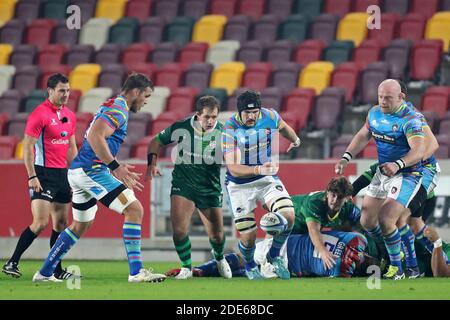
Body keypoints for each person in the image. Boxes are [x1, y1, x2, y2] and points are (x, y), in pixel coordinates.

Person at [32, 73, 166, 283]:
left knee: (80, 225)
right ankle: (137, 272)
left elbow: (98, 137)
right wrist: (115, 167)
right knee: (134, 209)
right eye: (146, 96)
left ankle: (45, 272)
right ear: (136, 92)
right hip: (91, 171)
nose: (146, 101)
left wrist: (112, 164)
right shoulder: (119, 109)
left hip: (79, 171)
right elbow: (95, 136)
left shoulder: (112, 104)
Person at [335, 79, 425, 280]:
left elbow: (419, 150)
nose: (383, 101)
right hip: (384, 172)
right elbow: (362, 135)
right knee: (366, 220)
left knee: (386, 218)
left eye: (388, 98)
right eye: (380, 96)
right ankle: (392, 249)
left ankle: (397, 268)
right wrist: (346, 157)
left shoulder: (411, 119)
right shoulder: (374, 113)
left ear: (401, 97)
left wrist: (398, 164)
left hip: (407, 175)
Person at [145, 96, 232, 280]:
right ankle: (186, 267)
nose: (210, 121)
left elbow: (233, 157)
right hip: (183, 185)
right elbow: (156, 141)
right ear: (198, 115)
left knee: (217, 236)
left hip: (209, 188)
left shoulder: (223, 133)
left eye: (214, 117)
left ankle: (219, 258)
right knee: (179, 230)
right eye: (207, 117)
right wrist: (151, 164)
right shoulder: (181, 127)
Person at [2, 73, 78, 280]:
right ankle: (12, 262)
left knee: (61, 225)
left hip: (63, 175)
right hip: (42, 174)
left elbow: (71, 146)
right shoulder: (39, 114)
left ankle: (56, 269)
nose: (66, 94)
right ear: (50, 91)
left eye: (68, 90)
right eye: (62, 90)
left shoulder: (70, 115)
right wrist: (31, 177)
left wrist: (78, 172)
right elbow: (27, 147)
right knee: (41, 222)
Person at [223, 90, 302, 280]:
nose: (251, 116)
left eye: (254, 112)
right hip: (239, 185)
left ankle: (274, 256)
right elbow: (233, 168)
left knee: (289, 215)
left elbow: (283, 127)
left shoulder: (270, 116)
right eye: (247, 113)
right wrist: (258, 169)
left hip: (266, 180)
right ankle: (250, 265)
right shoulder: (230, 128)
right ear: (239, 112)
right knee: (249, 237)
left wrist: (295, 140)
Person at [165, 230, 374, 278]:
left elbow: (354, 239)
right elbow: (342, 267)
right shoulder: (343, 269)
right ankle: (203, 270)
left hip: (284, 251)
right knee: (246, 267)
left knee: (244, 263)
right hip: (285, 257)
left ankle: (202, 269)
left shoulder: (355, 240)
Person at [290, 177, 361, 270]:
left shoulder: (349, 208)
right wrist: (324, 253)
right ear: (327, 193)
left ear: (347, 198)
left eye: (340, 197)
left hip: (305, 231)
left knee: (348, 226)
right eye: (333, 195)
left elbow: (364, 224)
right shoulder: (315, 203)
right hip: (289, 221)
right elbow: (313, 230)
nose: (335, 200)